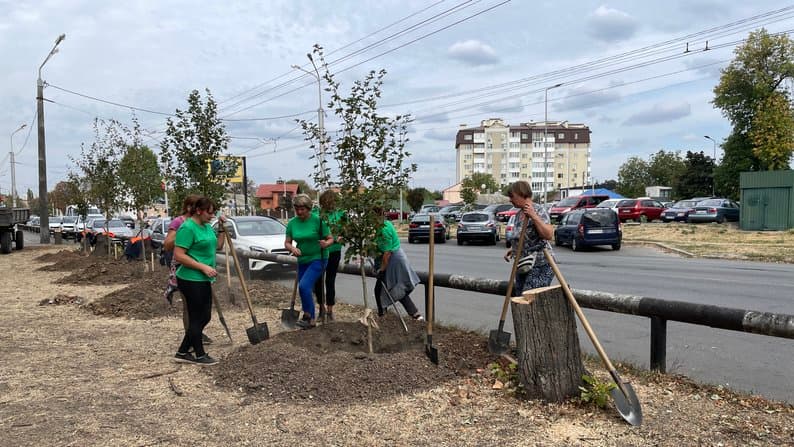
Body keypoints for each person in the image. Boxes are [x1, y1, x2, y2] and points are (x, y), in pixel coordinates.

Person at [172, 196, 225, 365]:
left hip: (203, 278)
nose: (212, 216)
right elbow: (179, 255)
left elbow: (217, 246)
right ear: (198, 211)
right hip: (190, 278)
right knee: (197, 317)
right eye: (209, 213)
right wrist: (203, 267)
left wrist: (223, 229)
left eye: (213, 213)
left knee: (205, 316)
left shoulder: (206, 227)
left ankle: (182, 352)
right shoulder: (188, 228)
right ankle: (200, 355)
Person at [285, 194, 333, 329]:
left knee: (304, 286)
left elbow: (330, 238)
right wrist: (292, 248)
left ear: (308, 209)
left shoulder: (318, 221)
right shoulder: (292, 223)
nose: (299, 212)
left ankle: (310, 318)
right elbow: (287, 243)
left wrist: (326, 243)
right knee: (303, 289)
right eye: (297, 209)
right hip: (302, 260)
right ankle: (307, 316)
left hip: (319, 258)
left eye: (302, 209)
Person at [504, 181, 555, 293]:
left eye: (512, 196)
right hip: (523, 265)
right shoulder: (518, 215)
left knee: (529, 297)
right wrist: (514, 249)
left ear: (522, 194)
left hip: (540, 265)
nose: (510, 199)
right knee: (519, 295)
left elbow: (548, 235)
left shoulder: (539, 210)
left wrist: (534, 216)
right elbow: (526, 238)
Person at [373, 213, 423, 321]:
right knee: (397, 289)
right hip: (393, 258)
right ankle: (415, 314)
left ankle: (382, 316)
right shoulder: (383, 225)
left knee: (383, 289)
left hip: (393, 261)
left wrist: (382, 271)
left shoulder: (384, 229)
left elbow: (387, 253)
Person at [313, 190, 344, 321]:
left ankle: (330, 310)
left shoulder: (341, 214)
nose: (330, 206)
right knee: (318, 281)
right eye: (327, 204)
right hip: (320, 252)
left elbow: (345, 230)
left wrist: (342, 236)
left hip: (334, 251)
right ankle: (321, 308)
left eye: (332, 204)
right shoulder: (317, 214)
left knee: (330, 281)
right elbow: (313, 230)